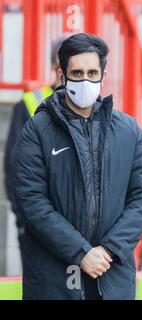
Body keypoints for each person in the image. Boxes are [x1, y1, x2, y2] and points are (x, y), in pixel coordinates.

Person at [12, 33, 142, 300]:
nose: (85, 80)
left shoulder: (128, 130)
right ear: (61, 74)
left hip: (112, 273)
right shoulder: (37, 130)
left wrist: (110, 250)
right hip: (54, 278)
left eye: (92, 72)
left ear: (104, 73)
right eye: (76, 73)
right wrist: (81, 253)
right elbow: (31, 200)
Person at [3, 35, 69, 264]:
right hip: (37, 226)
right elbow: (14, 166)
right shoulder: (32, 103)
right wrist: (23, 217)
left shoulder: (96, 108)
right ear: (54, 65)